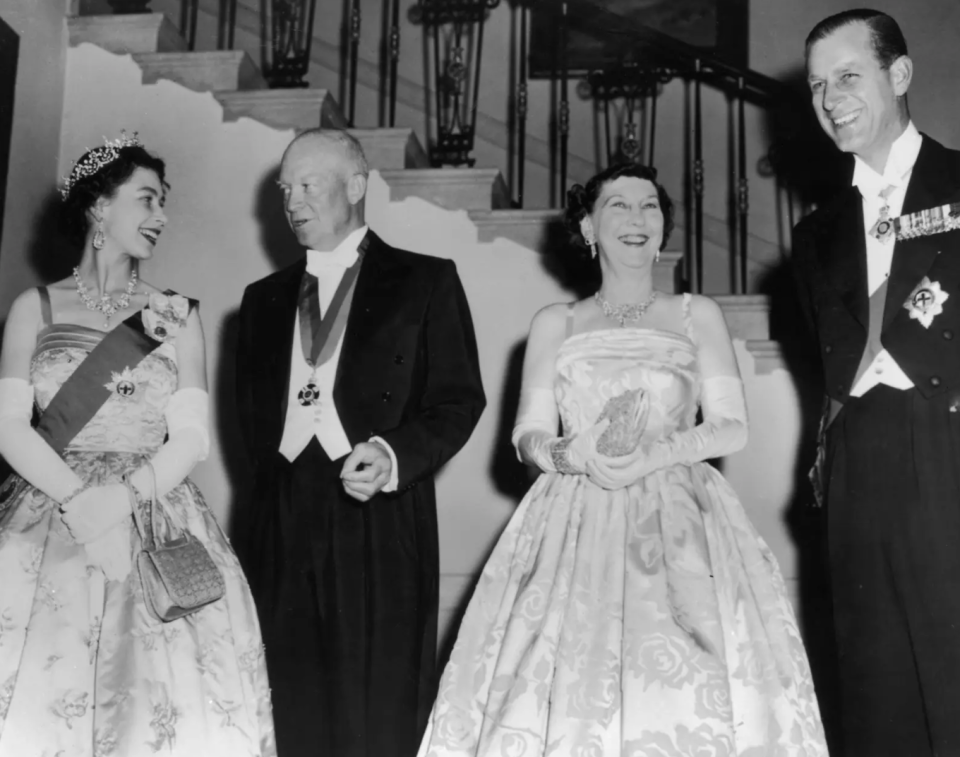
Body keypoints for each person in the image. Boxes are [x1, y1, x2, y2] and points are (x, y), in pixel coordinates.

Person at [417, 163, 828, 756]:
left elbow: (733, 428)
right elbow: (527, 437)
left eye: (650, 207)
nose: (637, 220)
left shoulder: (697, 314)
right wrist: (571, 451)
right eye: (618, 206)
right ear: (587, 226)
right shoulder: (554, 323)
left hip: (682, 519)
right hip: (575, 520)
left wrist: (656, 455)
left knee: (686, 688)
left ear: (663, 228)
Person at [0, 134, 275, 755]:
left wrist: (119, 502)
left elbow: (193, 437)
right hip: (48, 511)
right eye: (147, 200)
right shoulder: (34, 307)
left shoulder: (175, 315)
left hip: (154, 511)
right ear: (100, 207)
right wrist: (80, 503)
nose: (162, 216)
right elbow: (9, 426)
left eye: (164, 202)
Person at [233, 129, 486, 757]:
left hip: (378, 514)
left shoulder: (426, 280)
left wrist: (396, 454)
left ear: (357, 184)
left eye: (307, 183)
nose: (291, 199)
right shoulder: (259, 301)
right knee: (284, 699)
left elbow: (459, 400)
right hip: (280, 521)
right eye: (285, 188)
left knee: (375, 706)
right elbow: (250, 423)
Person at [793, 9, 960, 756]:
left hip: (950, 443)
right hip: (859, 462)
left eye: (848, 76)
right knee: (875, 690)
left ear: (899, 76)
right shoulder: (815, 232)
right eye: (818, 86)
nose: (831, 98)